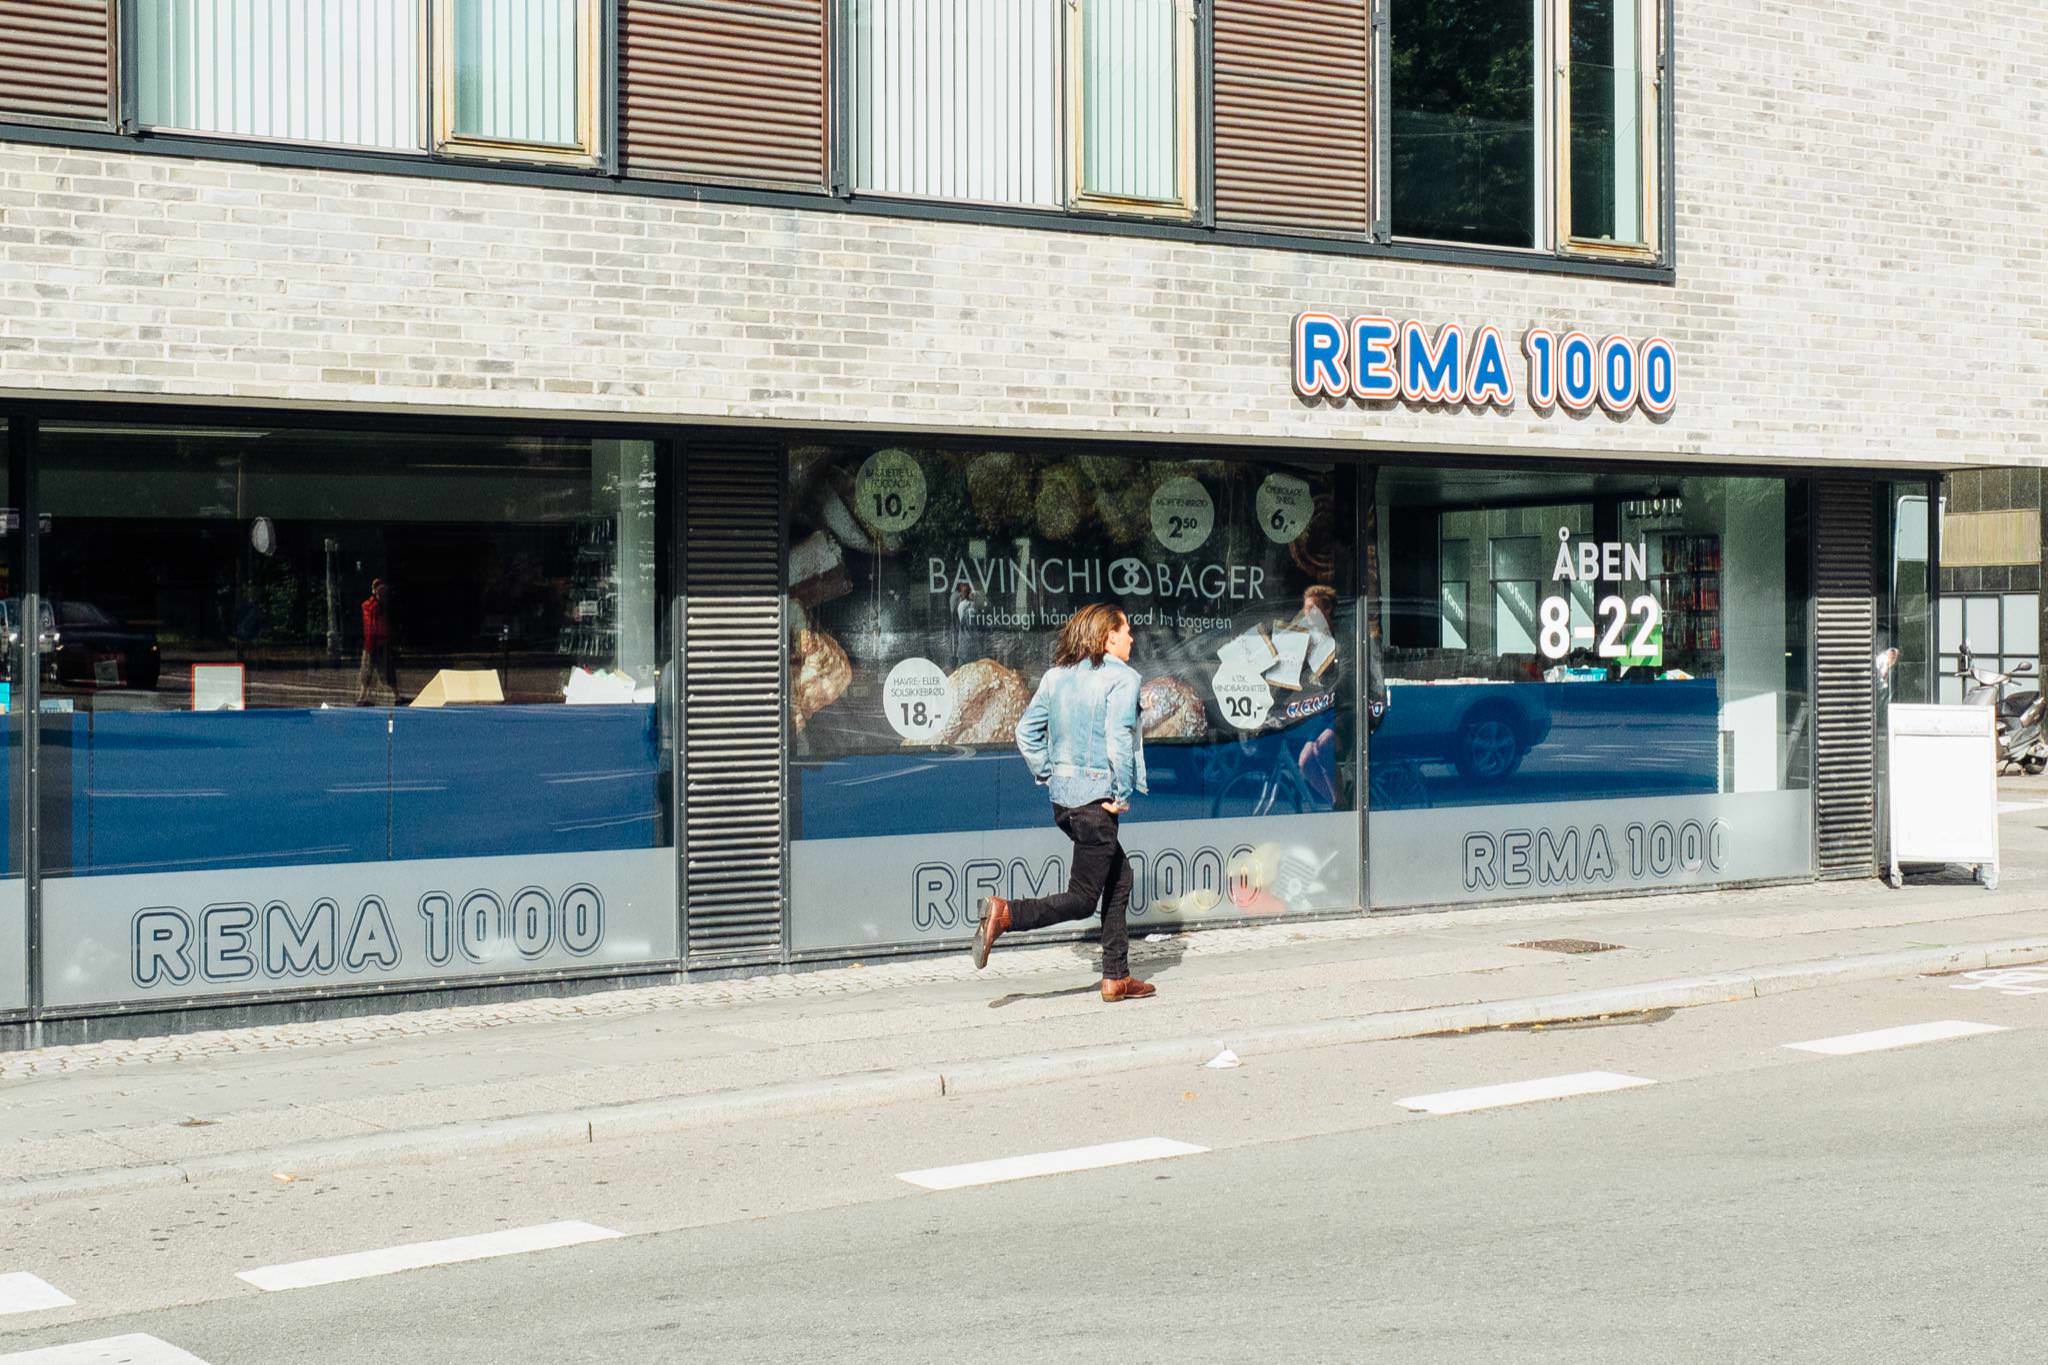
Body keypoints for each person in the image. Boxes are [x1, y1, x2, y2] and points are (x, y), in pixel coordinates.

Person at [970, 603, 1155, 1002]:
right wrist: (1121, 794)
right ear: (1108, 636)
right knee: (1082, 898)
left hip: (1065, 803)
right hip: (1097, 801)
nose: (1131, 638)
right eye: (1126, 631)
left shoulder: (1057, 678)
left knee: (1120, 877)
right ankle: (1005, 914)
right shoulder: (1123, 678)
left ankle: (1116, 976)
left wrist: (1049, 774)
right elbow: (1119, 737)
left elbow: (1026, 733)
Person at [355, 578, 397, 705]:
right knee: (367, 671)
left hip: (379, 643)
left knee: (386, 670)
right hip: (372, 643)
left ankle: (397, 695)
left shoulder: (381, 605)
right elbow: (370, 618)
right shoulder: (371, 605)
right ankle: (363, 696)